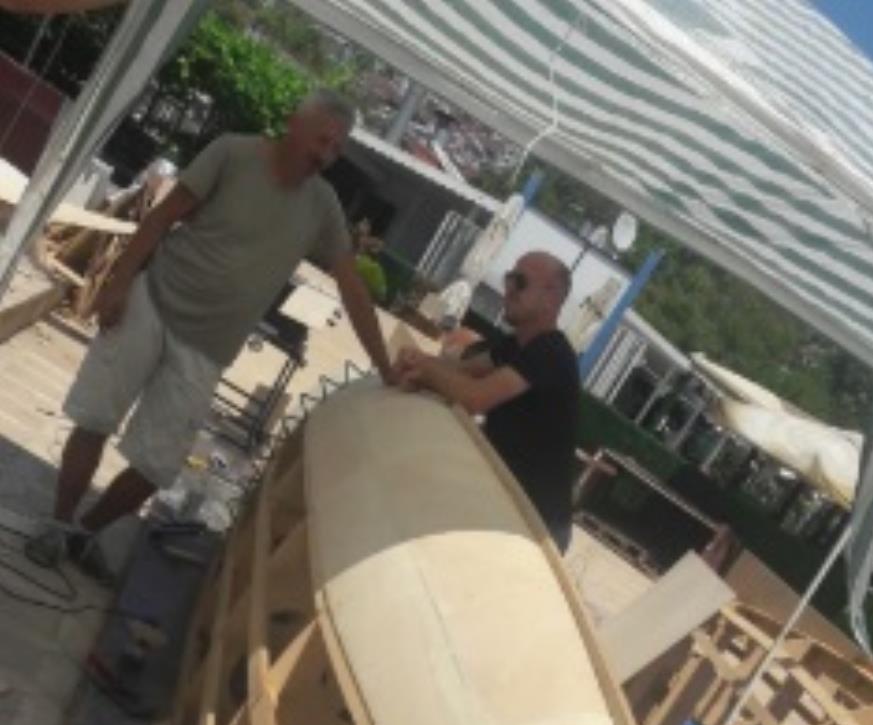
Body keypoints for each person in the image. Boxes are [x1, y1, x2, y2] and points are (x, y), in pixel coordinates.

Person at [27, 90, 393, 579]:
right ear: (294, 123)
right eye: (322, 140)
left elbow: (352, 288)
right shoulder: (233, 153)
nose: (326, 155)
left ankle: (83, 532)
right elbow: (162, 216)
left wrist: (387, 368)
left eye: (336, 149)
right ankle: (57, 522)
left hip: (209, 347)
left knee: (157, 466)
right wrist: (119, 282)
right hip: (154, 302)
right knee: (95, 419)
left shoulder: (322, 205)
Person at [394, 251, 580, 552]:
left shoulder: (551, 353)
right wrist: (418, 363)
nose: (508, 289)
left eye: (520, 282)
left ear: (551, 297)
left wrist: (425, 369)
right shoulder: (516, 345)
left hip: (535, 528)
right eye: (509, 278)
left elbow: (475, 398)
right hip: (506, 501)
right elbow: (459, 371)